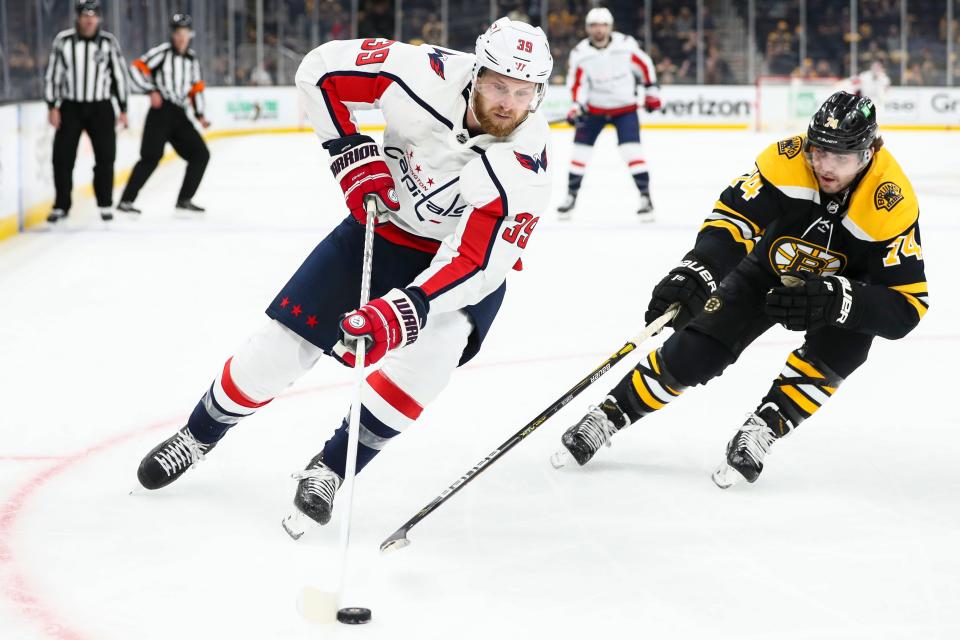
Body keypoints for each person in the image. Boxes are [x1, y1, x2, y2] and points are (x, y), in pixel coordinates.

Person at [135, 18, 553, 531]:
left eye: (522, 91)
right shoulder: (420, 72)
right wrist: (349, 154)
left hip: (455, 268)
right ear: (476, 72)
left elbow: (477, 262)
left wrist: (407, 309)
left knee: (426, 367)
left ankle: (330, 470)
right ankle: (199, 434)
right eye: (497, 86)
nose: (508, 102)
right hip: (382, 226)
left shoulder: (526, 164)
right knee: (280, 345)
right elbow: (322, 71)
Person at [554, 92, 927, 488]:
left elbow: (907, 307)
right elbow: (733, 219)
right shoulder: (787, 159)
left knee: (843, 349)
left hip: (840, 289)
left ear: (869, 154)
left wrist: (838, 299)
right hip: (766, 270)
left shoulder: (892, 201)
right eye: (819, 151)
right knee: (698, 348)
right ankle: (610, 413)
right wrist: (699, 268)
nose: (824, 166)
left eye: (841, 157)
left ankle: (765, 425)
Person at [557, 7, 661, 221]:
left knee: (632, 152)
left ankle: (645, 199)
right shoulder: (580, 54)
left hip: (625, 110)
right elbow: (578, 83)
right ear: (587, 28)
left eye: (602, 25)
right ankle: (570, 197)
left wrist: (651, 92)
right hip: (595, 111)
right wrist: (577, 106)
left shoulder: (626, 45)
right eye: (594, 25)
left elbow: (645, 65)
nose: (598, 30)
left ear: (610, 26)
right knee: (579, 154)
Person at [43, 0, 129, 223]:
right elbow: (53, 75)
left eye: (94, 15)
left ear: (99, 18)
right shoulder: (63, 41)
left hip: (101, 107)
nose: (89, 20)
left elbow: (120, 76)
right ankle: (62, 204)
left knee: (105, 157)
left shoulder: (109, 43)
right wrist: (52, 106)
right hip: (71, 106)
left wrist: (123, 108)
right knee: (61, 158)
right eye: (85, 15)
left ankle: (105, 203)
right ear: (78, 18)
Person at [118, 13, 210, 215]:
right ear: (173, 34)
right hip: (161, 112)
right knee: (150, 157)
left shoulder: (192, 60)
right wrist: (150, 90)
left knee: (200, 154)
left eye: (185, 33)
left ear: (190, 35)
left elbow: (196, 89)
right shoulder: (162, 52)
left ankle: (184, 199)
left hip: (179, 114)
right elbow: (135, 69)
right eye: (178, 33)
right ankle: (126, 201)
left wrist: (200, 114)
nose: (181, 37)